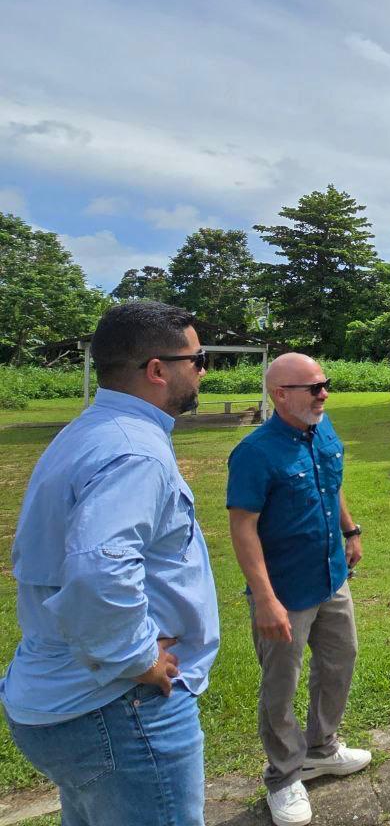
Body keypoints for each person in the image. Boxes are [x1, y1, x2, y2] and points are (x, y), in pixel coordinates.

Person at [1, 300, 220, 826]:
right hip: (120, 709)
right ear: (156, 370)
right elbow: (100, 567)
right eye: (197, 357)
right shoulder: (135, 451)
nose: (203, 369)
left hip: (66, 697)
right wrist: (137, 658)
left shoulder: (91, 431)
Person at [226, 353, 368, 826]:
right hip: (284, 590)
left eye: (325, 384)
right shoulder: (255, 453)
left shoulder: (321, 429)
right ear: (280, 394)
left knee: (339, 661)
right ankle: (284, 777)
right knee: (280, 685)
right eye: (313, 387)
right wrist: (264, 598)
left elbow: (333, 483)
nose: (323, 393)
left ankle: (321, 749)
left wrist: (350, 531)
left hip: (331, 576)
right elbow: (243, 528)